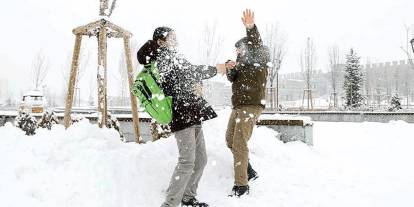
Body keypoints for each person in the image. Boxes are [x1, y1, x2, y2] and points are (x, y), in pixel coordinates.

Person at [137, 27, 227, 207]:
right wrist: (215, 69)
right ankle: (170, 203)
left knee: (201, 160)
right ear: (161, 41)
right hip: (181, 114)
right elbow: (189, 72)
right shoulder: (162, 57)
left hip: (192, 112)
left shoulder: (172, 55)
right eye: (172, 37)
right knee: (187, 161)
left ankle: (188, 197)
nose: (176, 39)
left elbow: (186, 76)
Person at [225, 9, 270, 197]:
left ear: (247, 47)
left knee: (239, 143)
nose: (237, 52)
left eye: (239, 49)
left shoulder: (258, 56)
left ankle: (241, 185)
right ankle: (248, 169)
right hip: (238, 106)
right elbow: (232, 79)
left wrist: (250, 27)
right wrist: (230, 68)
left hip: (251, 106)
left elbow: (256, 42)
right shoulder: (241, 63)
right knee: (230, 140)